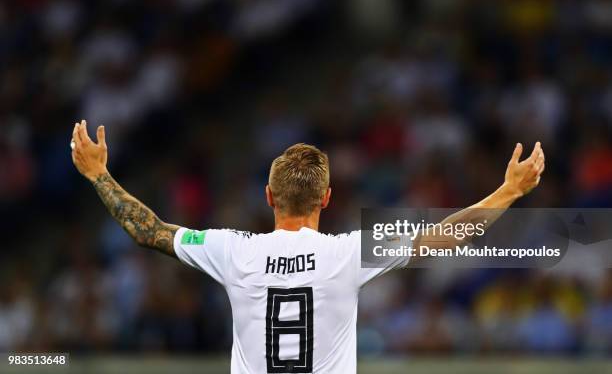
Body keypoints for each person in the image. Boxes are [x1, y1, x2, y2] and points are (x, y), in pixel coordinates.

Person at [70, 119, 545, 373]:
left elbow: (148, 229)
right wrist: (509, 191)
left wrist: (98, 173)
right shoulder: (349, 253)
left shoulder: (233, 250)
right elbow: (449, 235)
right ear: (328, 199)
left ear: (269, 197)